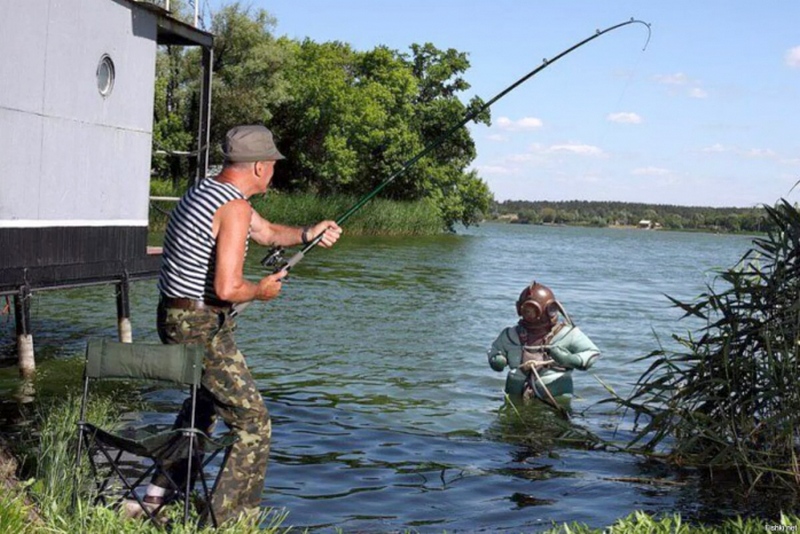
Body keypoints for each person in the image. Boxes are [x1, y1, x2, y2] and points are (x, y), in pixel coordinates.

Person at [136, 125, 342, 522]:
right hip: (198, 324)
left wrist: (307, 232)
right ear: (262, 167)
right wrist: (260, 291)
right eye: (274, 165)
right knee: (253, 421)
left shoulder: (205, 192)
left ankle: (156, 495)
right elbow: (228, 286)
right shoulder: (234, 207)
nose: (275, 171)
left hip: (173, 317)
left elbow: (264, 233)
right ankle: (228, 521)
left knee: (203, 409)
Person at [487, 281, 600, 405]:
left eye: (533, 310)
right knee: (511, 421)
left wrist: (569, 359)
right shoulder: (510, 335)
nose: (529, 315)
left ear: (550, 309)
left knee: (555, 422)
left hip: (555, 392)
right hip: (516, 392)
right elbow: (495, 349)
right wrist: (497, 359)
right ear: (519, 308)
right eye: (526, 310)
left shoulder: (566, 334)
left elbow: (592, 352)